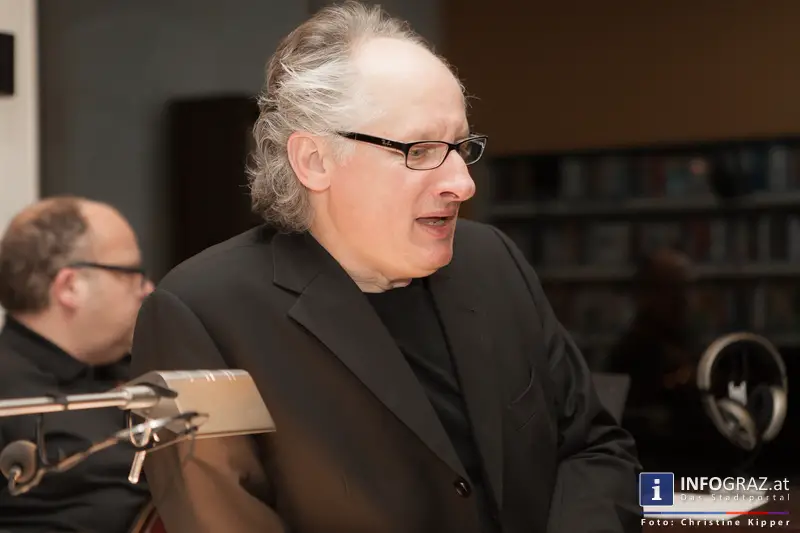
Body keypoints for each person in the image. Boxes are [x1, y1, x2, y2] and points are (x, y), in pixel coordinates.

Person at [130, 3, 641, 532]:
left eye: (461, 147)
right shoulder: (196, 315)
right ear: (315, 161)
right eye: (420, 150)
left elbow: (593, 447)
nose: (462, 184)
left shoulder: (492, 260)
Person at [0, 196, 154, 532]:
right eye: (133, 274)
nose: (148, 289)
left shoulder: (139, 376)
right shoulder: (8, 399)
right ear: (71, 286)